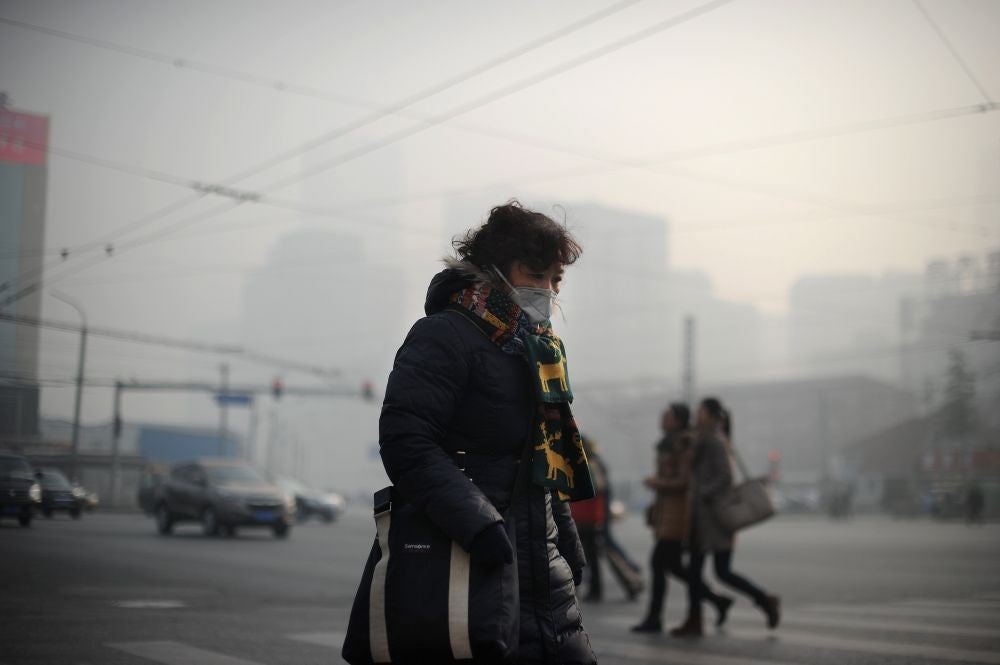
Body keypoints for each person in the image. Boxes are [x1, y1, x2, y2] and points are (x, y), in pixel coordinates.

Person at [378, 201, 597, 664]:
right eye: (536, 274)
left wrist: (567, 543)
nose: (548, 290)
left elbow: (541, 458)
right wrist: (477, 524)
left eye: (556, 279)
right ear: (494, 268)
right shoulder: (444, 335)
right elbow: (406, 439)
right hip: (470, 560)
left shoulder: (539, 349)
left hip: (544, 566)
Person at [671, 398, 780, 637]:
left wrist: (703, 494)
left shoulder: (714, 441)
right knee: (705, 570)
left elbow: (725, 476)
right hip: (707, 519)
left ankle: (763, 599)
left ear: (710, 415)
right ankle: (697, 618)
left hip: (714, 520)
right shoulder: (705, 439)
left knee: (715, 571)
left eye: (701, 411)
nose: (697, 414)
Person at [632, 403, 732, 633]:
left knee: (659, 563)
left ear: (678, 420)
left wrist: (658, 483)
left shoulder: (685, 443)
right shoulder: (668, 443)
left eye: (667, 416)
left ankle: (654, 618)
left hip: (679, 515)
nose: (662, 419)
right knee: (675, 567)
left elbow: (686, 481)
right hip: (666, 512)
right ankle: (717, 600)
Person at [571, 436, 644, 602]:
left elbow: (597, 487)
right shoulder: (589, 462)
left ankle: (623, 581)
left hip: (590, 516)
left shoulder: (591, 463)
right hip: (589, 516)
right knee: (591, 553)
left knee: (594, 554)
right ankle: (601, 586)